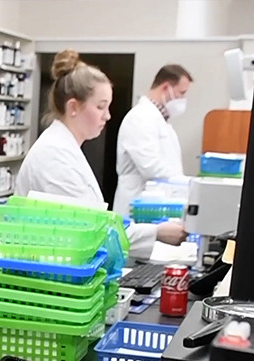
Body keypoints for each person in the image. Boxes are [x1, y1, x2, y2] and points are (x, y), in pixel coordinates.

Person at [14, 50, 187, 260]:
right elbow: (89, 230)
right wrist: (156, 233)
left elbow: (93, 220)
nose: (108, 115)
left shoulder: (66, 148)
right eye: (100, 107)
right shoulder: (54, 156)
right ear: (73, 107)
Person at [113, 64, 194, 217]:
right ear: (166, 88)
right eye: (181, 93)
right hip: (137, 205)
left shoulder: (161, 121)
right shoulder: (139, 118)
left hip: (156, 205)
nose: (183, 100)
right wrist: (187, 183)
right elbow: (151, 167)